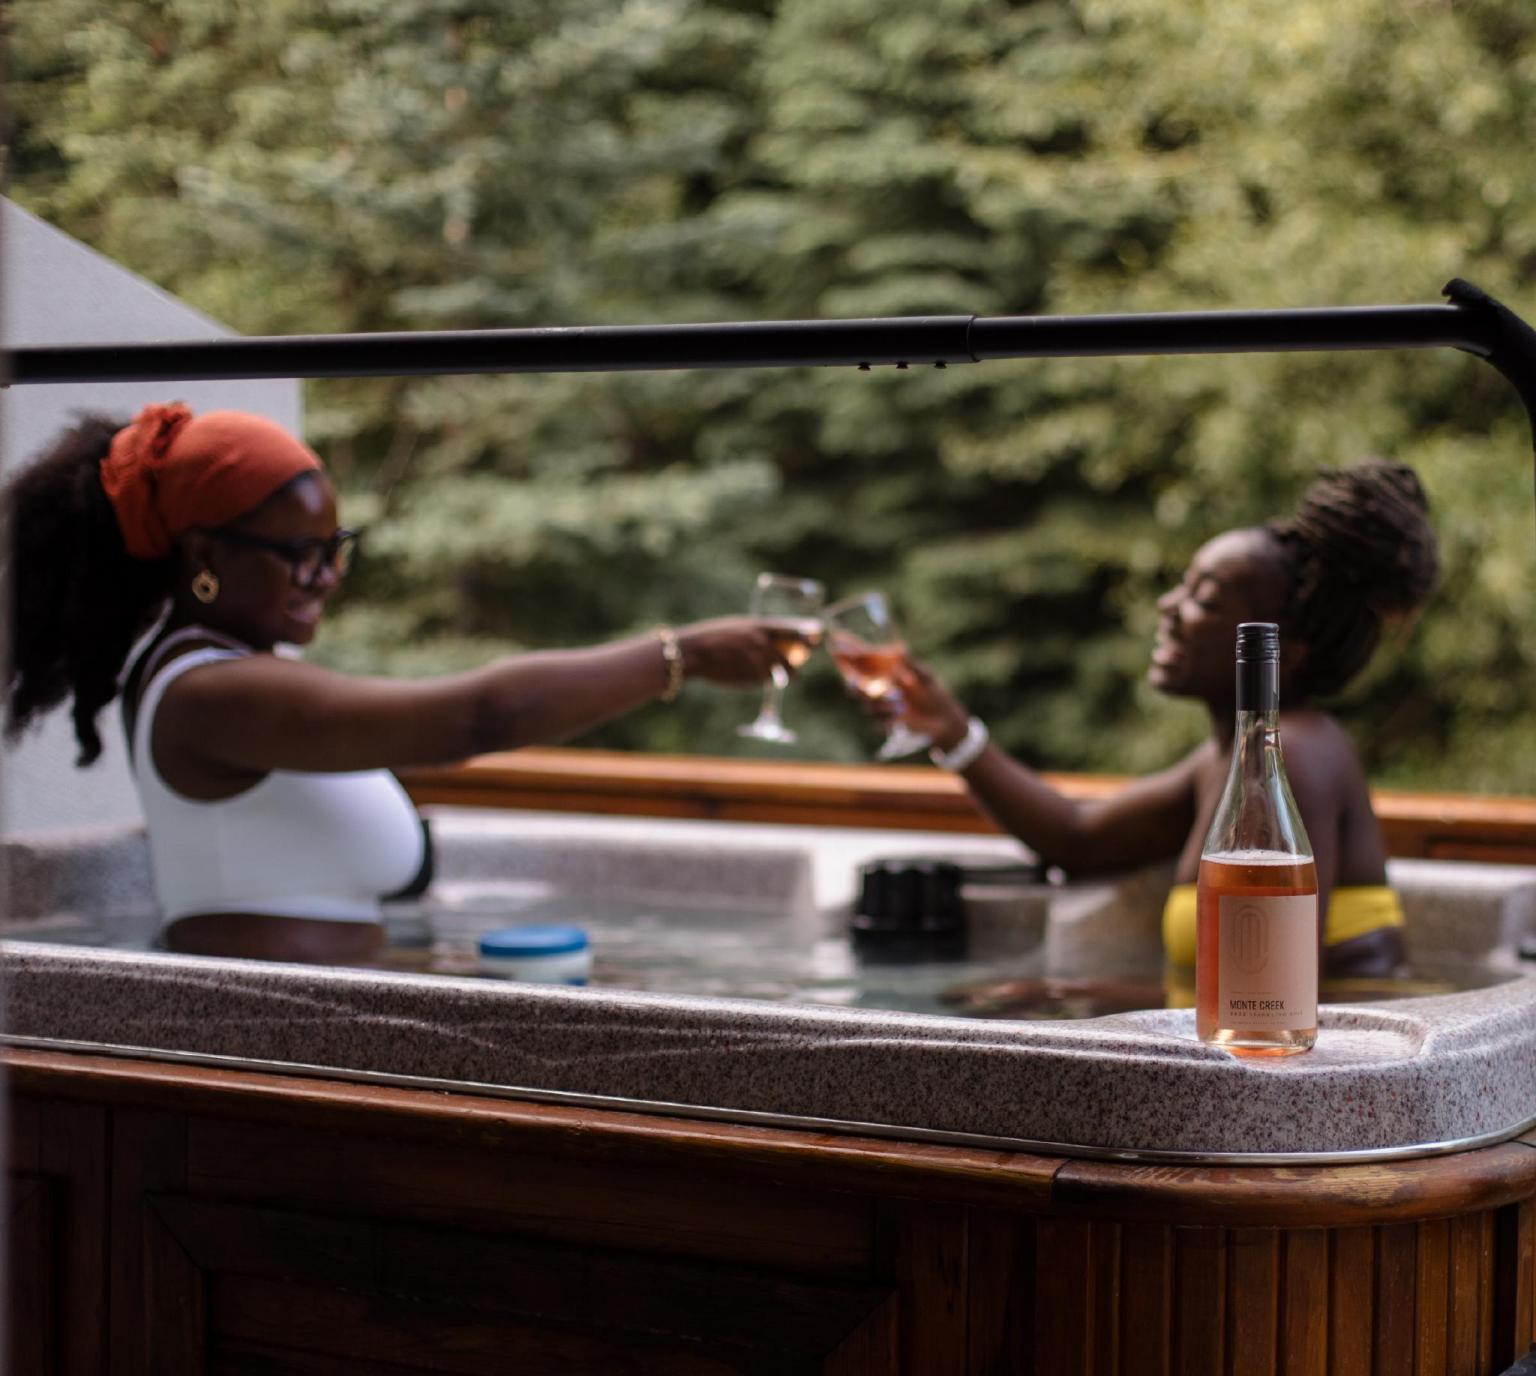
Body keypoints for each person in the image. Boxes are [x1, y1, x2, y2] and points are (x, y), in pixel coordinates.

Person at [4, 403, 793, 965]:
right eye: (299, 554)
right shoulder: (210, 696)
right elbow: (477, 718)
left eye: (334, 547)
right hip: (261, 1055)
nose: (325, 576)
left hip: (301, 1031)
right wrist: (678, 655)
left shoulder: (230, 675)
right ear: (205, 558)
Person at [884, 459, 1440, 978]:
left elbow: (1270, 981)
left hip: (1346, 1072)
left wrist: (1072, 1003)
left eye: (1206, 597)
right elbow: (1078, 840)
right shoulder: (1224, 763)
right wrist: (952, 732)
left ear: (1281, 649)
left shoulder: (1296, 752)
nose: (1169, 606)